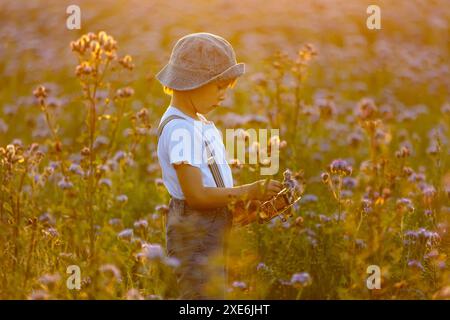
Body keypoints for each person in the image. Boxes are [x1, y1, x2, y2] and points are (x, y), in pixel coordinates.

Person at [155, 32, 282, 299]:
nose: (224, 96)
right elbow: (197, 196)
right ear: (193, 83)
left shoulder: (193, 122)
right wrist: (249, 190)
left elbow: (208, 184)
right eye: (219, 87)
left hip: (206, 224)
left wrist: (239, 207)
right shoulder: (180, 129)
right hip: (196, 230)